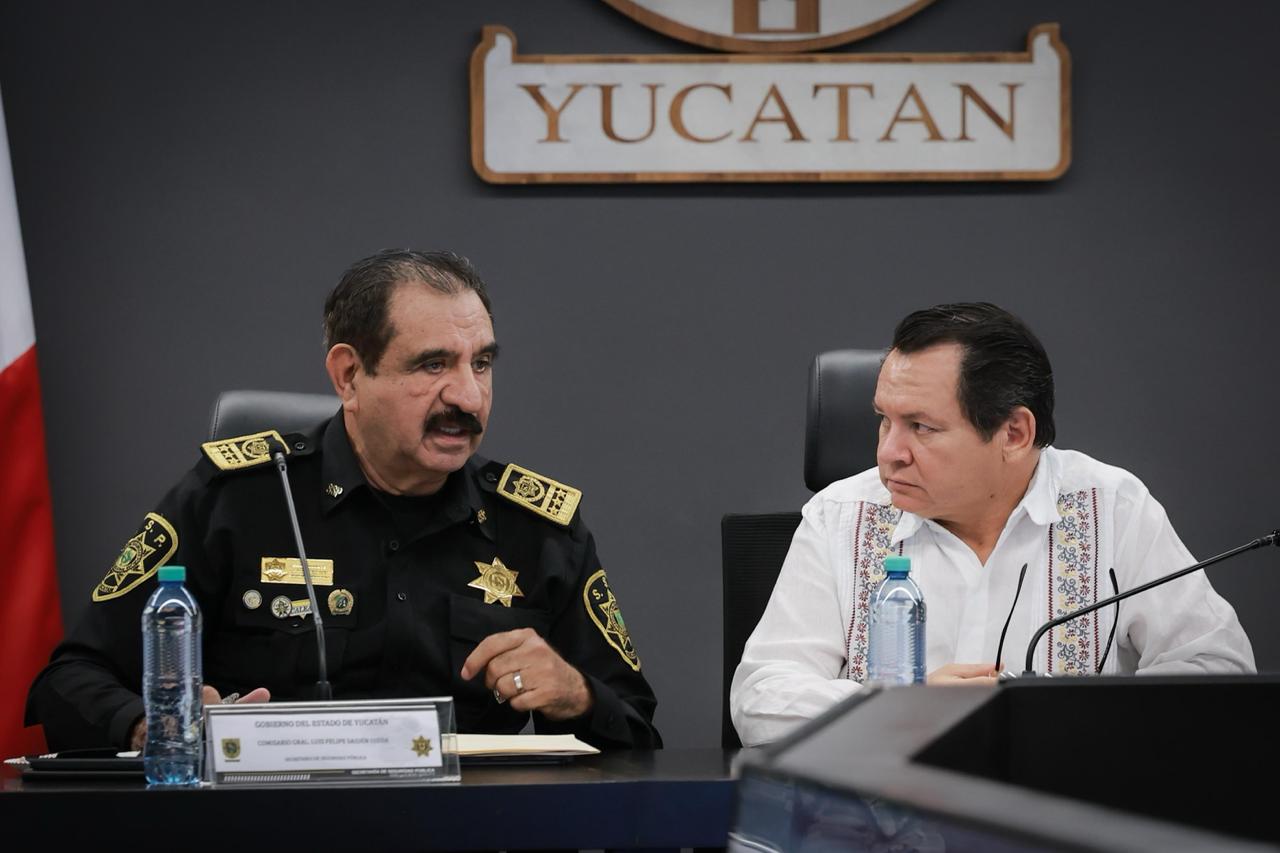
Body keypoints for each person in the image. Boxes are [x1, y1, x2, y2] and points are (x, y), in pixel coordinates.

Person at [28, 249, 660, 751]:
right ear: (349, 375)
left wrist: (577, 695)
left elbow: (638, 736)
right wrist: (160, 725)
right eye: (433, 365)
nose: (468, 397)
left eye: (482, 364)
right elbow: (68, 683)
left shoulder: (536, 528)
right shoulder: (236, 501)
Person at [731, 302, 1254, 747]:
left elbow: (1217, 671)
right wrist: (900, 707)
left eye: (921, 427)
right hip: (885, 815)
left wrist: (1067, 719)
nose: (889, 452)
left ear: (1014, 433)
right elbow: (760, 698)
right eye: (884, 420)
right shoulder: (840, 516)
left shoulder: (1113, 508)